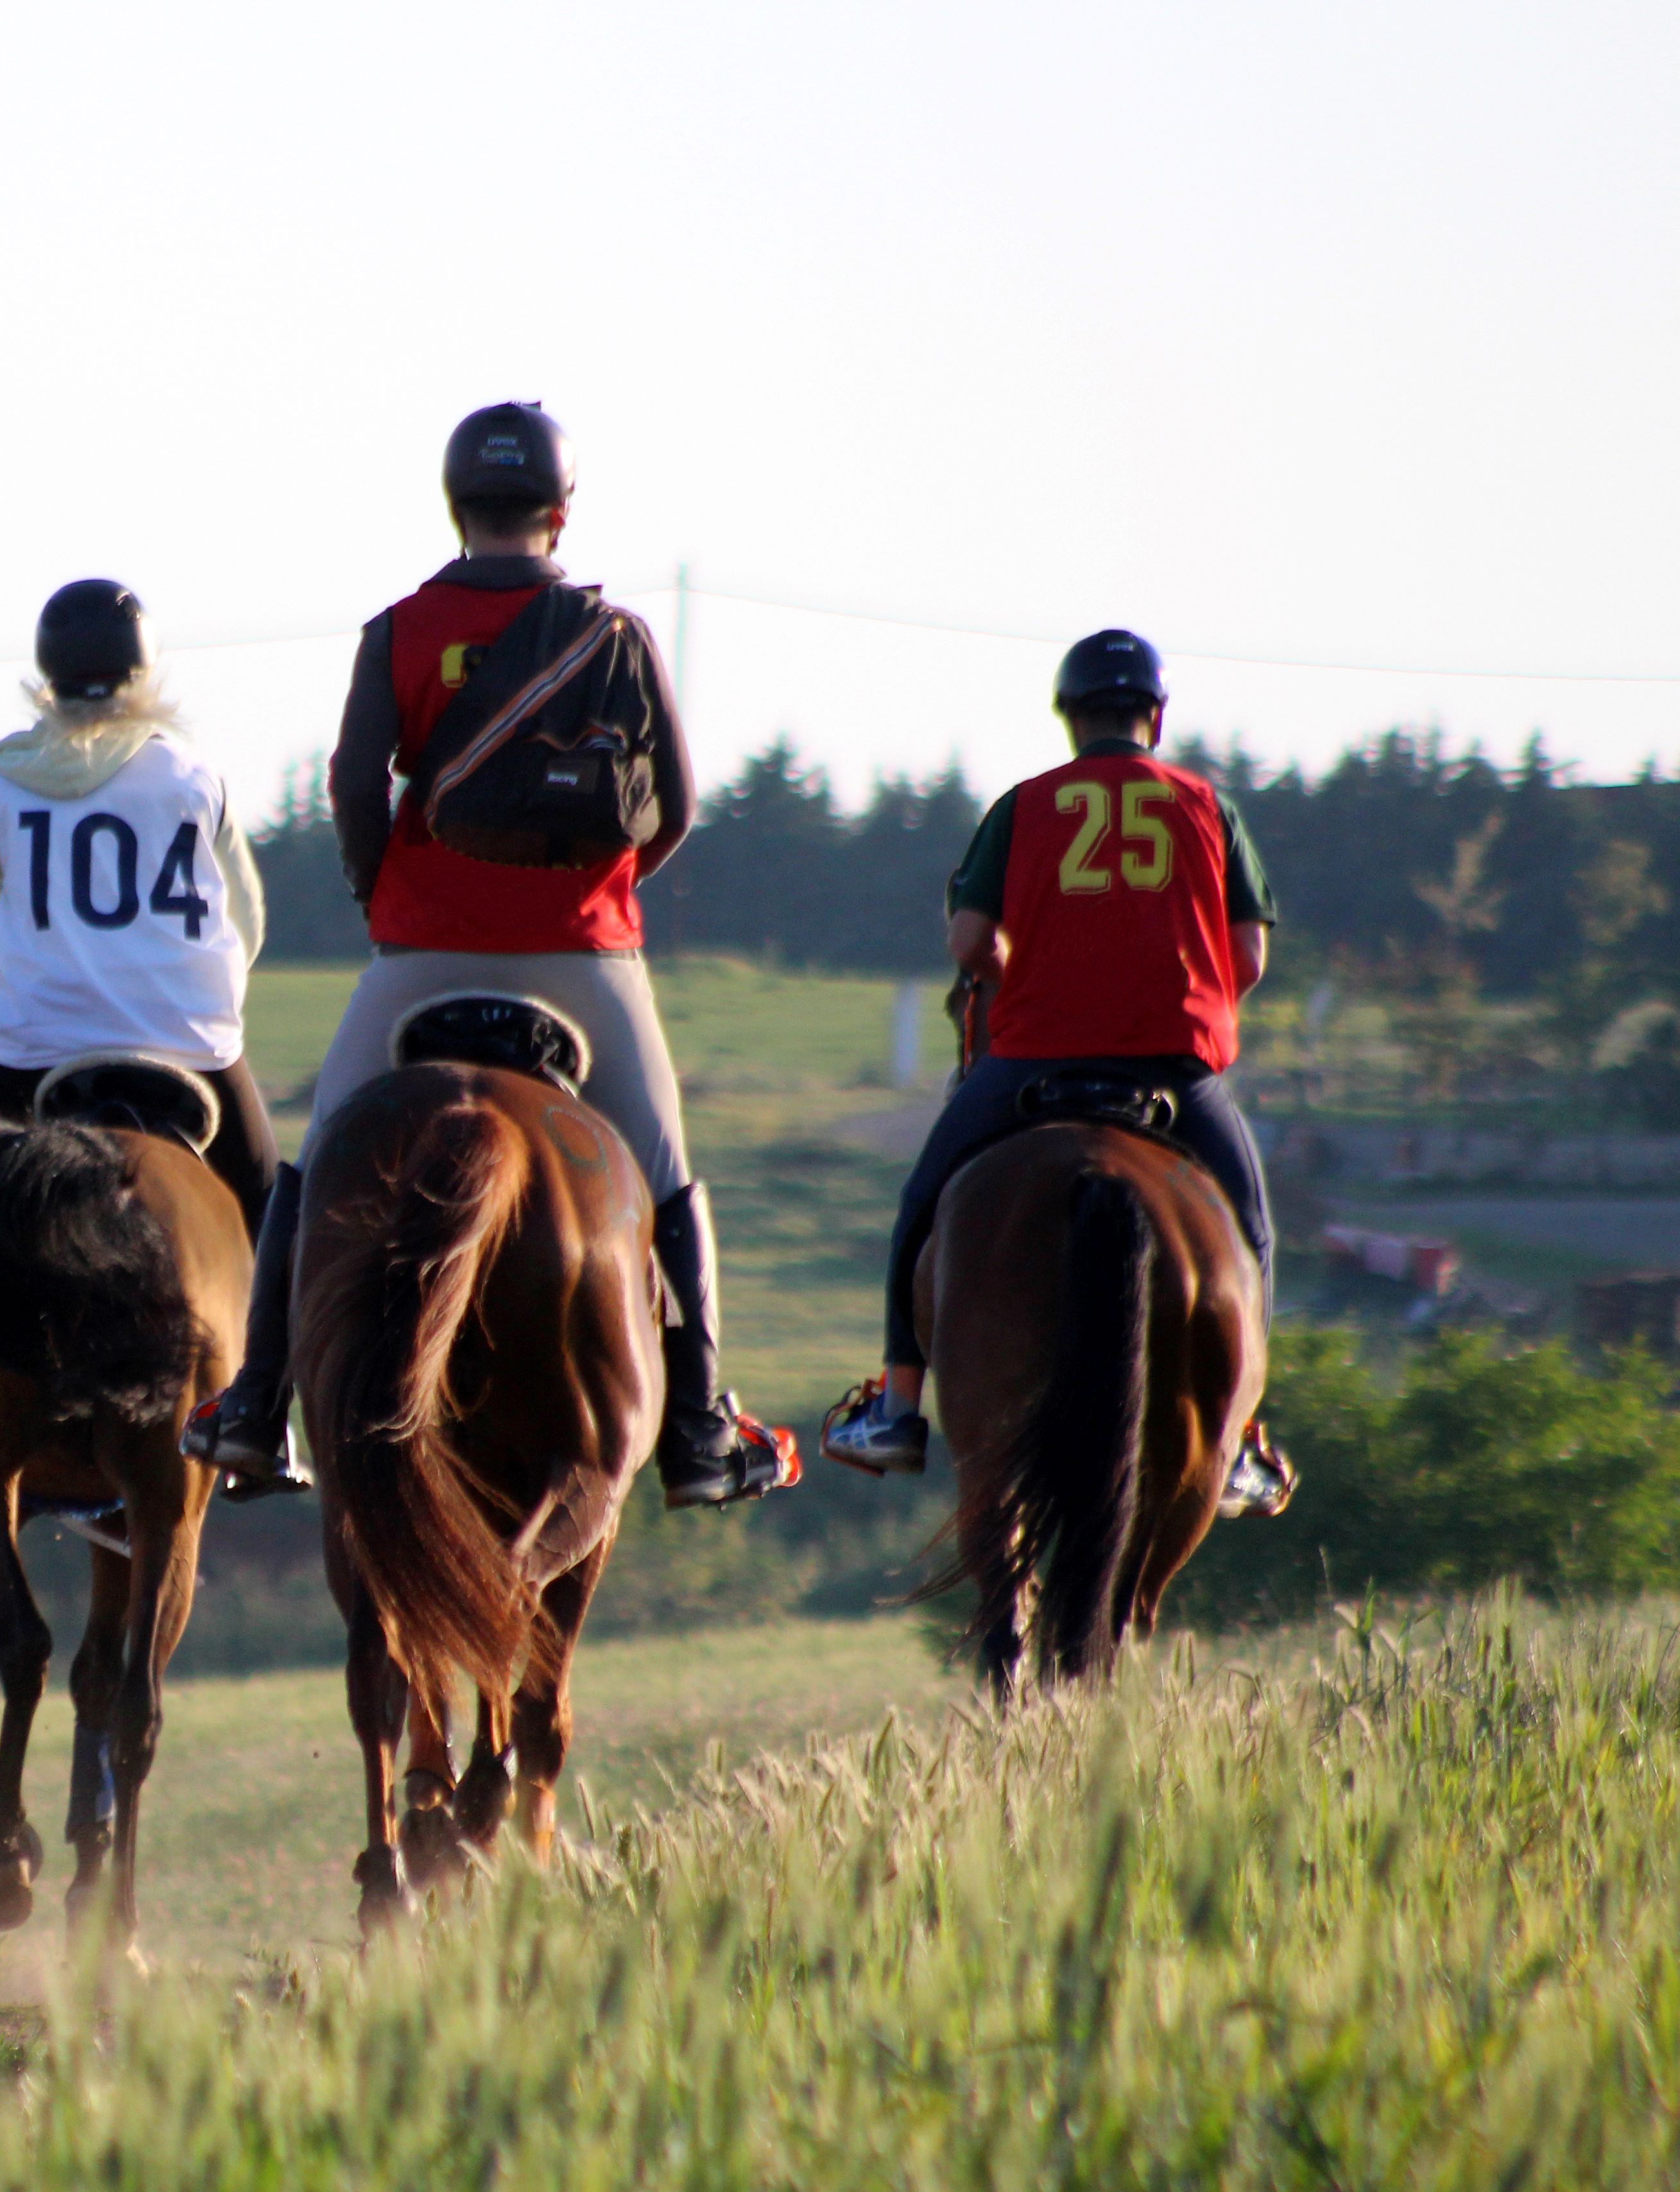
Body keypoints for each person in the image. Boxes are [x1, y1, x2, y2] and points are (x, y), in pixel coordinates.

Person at [181, 401, 797, 1508]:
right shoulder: (616, 635)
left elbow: (354, 784)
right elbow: (679, 809)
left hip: (423, 951)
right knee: (662, 1182)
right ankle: (703, 1430)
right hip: (586, 957)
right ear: (562, 514)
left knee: (314, 1170)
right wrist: (599, 893)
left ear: (456, 506)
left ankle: (255, 1404)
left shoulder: (400, 628)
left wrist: (391, 896)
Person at [819, 627, 1289, 1509]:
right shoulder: (1207, 806)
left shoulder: (1024, 804)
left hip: (1035, 1057)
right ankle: (1239, 1441)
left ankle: (896, 1408)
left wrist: (1029, 976)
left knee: (923, 1204)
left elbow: (969, 943)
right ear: (1155, 715)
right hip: (1175, 1067)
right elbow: (1250, 959)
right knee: (1253, 1232)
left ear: (1070, 719)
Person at [0, 579, 274, 1467]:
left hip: (36, 1045)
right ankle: (264, 1407)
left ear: (48, 676)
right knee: (271, 1196)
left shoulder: (3, 780)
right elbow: (247, 925)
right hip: (188, 1043)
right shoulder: (198, 778)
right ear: (142, 671)